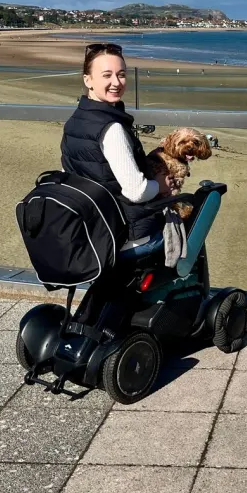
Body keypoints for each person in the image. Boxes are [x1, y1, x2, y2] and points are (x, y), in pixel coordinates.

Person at [60, 42, 172, 324]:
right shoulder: (111, 128)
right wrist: (162, 186)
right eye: (107, 75)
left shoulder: (74, 122)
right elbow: (135, 191)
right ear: (88, 79)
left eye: (121, 75)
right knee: (186, 221)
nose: (116, 82)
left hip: (92, 230)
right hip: (124, 235)